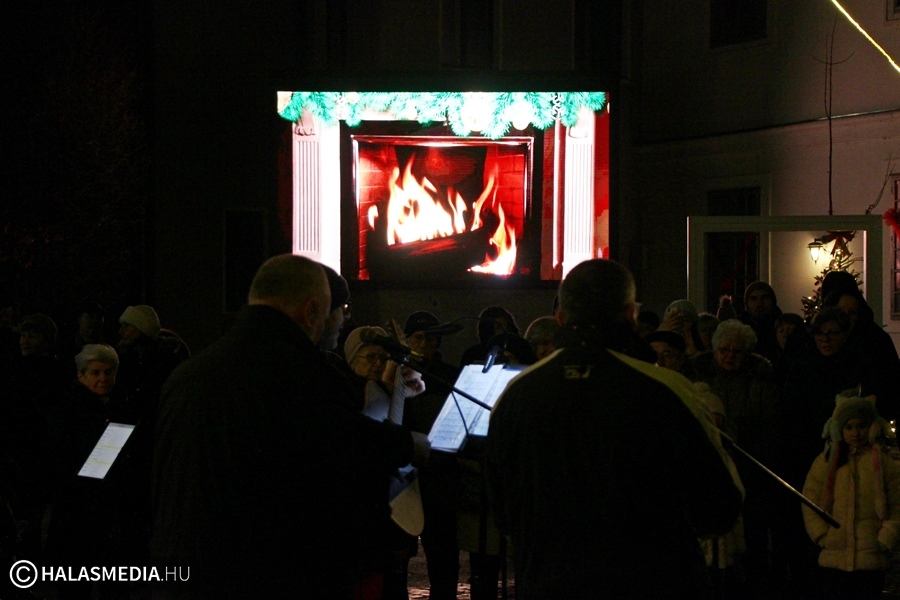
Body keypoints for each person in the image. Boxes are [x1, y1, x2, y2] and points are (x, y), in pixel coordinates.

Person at [151, 254, 415, 599]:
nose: (340, 321)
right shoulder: (305, 375)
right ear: (311, 310)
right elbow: (342, 472)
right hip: (265, 576)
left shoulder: (189, 374)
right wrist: (408, 446)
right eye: (336, 311)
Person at [485, 258, 744, 599]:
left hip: (549, 581)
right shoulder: (665, 389)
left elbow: (502, 511)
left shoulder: (515, 395)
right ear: (630, 316)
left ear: (560, 317)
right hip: (652, 583)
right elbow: (719, 506)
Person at [802, 391, 900, 600]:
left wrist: (886, 538)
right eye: (849, 427)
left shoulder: (884, 463)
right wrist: (821, 535)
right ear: (839, 429)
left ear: (871, 427)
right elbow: (810, 500)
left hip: (871, 558)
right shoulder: (827, 461)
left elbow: (897, 502)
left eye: (861, 426)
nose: (855, 433)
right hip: (834, 557)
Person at [739, 281, 782, 364]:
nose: (759, 304)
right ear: (747, 303)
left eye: (764, 298)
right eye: (753, 299)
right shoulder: (739, 329)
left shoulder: (783, 327)